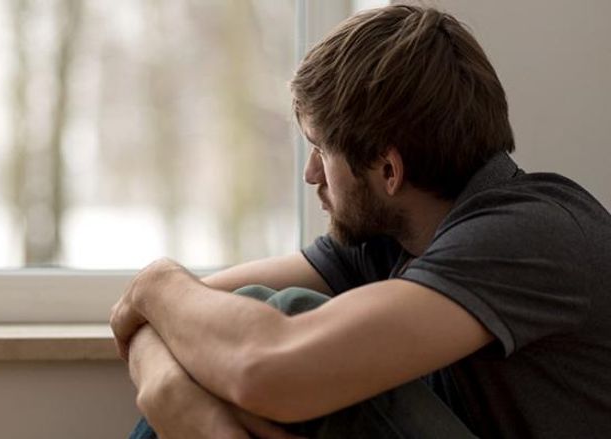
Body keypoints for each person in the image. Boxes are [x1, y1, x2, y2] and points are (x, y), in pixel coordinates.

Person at [111, 4, 611, 438]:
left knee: (287, 317)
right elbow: (176, 311)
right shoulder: (396, 237)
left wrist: (154, 283)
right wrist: (167, 387)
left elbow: (261, 367)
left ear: (388, 170)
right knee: (244, 317)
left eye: (320, 151)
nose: (310, 175)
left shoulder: (530, 232)